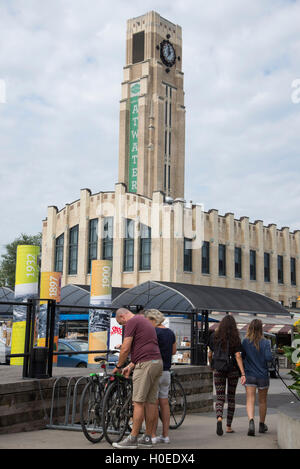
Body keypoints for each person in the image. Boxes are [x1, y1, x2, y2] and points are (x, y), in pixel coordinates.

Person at [111, 307, 163, 449]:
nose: (123, 326)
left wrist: (119, 366)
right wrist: (131, 365)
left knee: (138, 402)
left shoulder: (132, 322)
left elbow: (126, 347)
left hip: (145, 365)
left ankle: (132, 439)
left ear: (122, 316)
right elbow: (145, 346)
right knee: (151, 402)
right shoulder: (144, 321)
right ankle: (147, 437)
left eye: (121, 324)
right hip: (156, 362)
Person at [208, 315, 246, 436]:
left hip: (219, 369)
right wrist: (243, 373)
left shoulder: (214, 336)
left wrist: (211, 364)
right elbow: (238, 356)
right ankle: (228, 426)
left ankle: (219, 418)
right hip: (232, 370)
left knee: (219, 398)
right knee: (231, 398)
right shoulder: (235, 338)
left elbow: (210, 353)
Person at [144, 309, 177, 444]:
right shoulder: (170, 333)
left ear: (153, 320)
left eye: (147, 320)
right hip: (166, 372)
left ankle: (152, 434)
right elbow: (174, 351)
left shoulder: (153, 332)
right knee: (164, 403)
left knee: (152, 403)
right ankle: (165, 435)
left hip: (154, 369)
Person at [242, 319, 273, 436]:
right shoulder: (266, 342)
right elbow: (269, 358)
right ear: (261, 328)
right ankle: (261, 424)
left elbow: (242, 356)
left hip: (250, 374)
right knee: (262, 401)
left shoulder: (245, 342)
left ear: (250, 328)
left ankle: (251, 422)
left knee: (250, 399)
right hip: (262, 375)